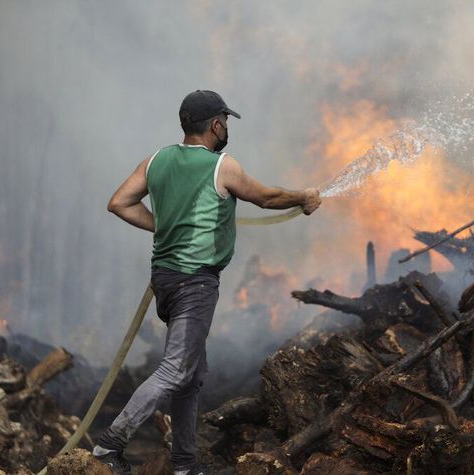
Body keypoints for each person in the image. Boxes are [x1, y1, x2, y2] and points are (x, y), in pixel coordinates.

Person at [93, 90, 321, 475]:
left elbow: (119, 202)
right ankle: (109, 446)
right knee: (177, 369)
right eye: (226, 121)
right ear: (216, 124)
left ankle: (184, 465)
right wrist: (304, 196)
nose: (227, 127)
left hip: (165, 280)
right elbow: (265, 198)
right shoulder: (222, 166)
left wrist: (162, 227)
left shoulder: (156, 161)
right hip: (193, 283)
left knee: (192, 375)